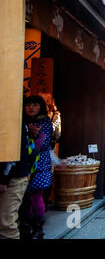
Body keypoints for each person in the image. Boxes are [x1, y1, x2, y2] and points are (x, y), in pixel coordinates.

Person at [20, 95, 54, 239]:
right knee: (25, 197)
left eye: (35, 105)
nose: (31, 108)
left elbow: (43, 144)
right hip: (24, 165)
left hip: (39, 164)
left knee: (35, 196)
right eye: (28, 105)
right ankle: (26, 226)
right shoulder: (25, 122)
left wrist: (34, 137)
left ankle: (38, 229)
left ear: (41, 106)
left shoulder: (44, 123)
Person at [0, 119, 36, 239]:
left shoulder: (12, 118)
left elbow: (12, 150)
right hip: (13, 175)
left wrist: (4, 178)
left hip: (13, 177)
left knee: (6, 223)